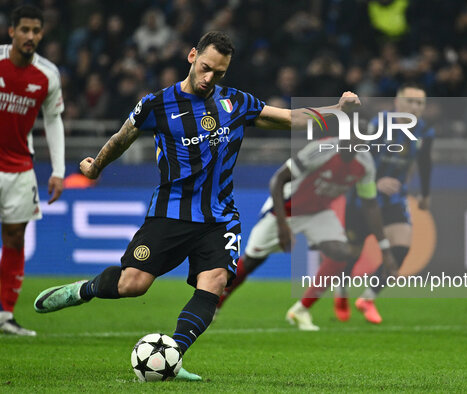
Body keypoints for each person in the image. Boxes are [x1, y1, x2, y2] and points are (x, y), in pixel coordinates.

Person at [34, 31, 360, 380]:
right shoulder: (157, 104)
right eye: (205, 68)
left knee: (215, 282)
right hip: (170, 213)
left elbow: (289, 118)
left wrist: (336, 111)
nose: (209, 79)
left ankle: (172, 355)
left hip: (219, 218)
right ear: (192, 56)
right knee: (133, 285)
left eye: (218, 73)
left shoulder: (235, 102)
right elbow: (122, 138)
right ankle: (82, 290)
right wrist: (96, 167)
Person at [216, 134, 396, 331]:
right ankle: (216, 302)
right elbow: (278, 179)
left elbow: (370, 204)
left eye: (362, 139)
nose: (357, 143)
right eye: (352, 137)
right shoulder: (320, 150)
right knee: (252, 260)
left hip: (318, 212)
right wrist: (283, 226)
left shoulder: (365, 162)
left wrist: (385, 249)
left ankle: (301, 310)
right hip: (286, 208)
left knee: (341, 252)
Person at [331, 83, 435, 324]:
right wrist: (375, 182)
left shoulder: (424, 131)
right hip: (363, 197)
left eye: (420, 103)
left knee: (401, 247)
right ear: (397, 103)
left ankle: (367, 298)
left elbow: (424, 163)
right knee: (352, 252)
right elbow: (353, 159)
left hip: (394, 199)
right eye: (411, 101)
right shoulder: (377, 125)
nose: (415, 107)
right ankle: (341, 291)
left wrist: (426, 194)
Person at [0, 5, 65, 336]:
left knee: (14, 238)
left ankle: (3, 315)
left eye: (35, 31)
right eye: (24, 30)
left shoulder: (47, 75)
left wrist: (58, 169)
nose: (30, 36)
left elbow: (53, 120)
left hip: (20, 167)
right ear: (11, 31)